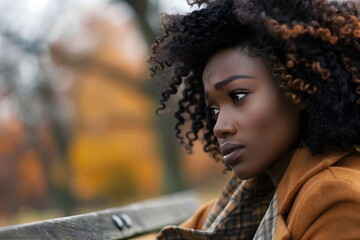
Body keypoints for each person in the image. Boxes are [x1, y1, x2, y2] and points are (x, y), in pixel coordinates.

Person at [148, 0, 360, 239]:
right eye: (213, 110)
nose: (220, 127)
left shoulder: (336, 198)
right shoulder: (245, 201)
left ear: (298, 90)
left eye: (238, 96)